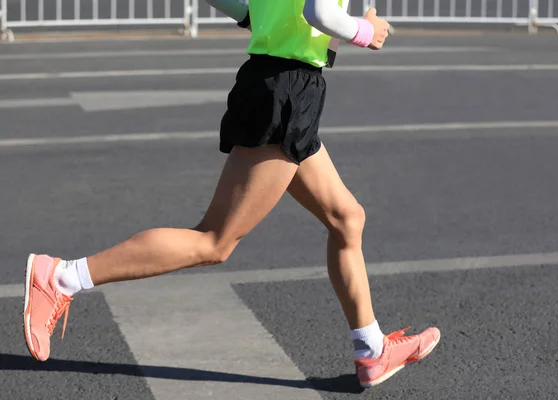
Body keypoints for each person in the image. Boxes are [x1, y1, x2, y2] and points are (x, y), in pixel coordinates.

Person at [23, 0, 440, 388]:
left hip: (276, 85)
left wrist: (255, 16)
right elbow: (319, 13)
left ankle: (372, 351)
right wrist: (366, 31)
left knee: (347, 218)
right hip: (289, 91)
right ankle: (60, 277)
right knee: (214, 242)